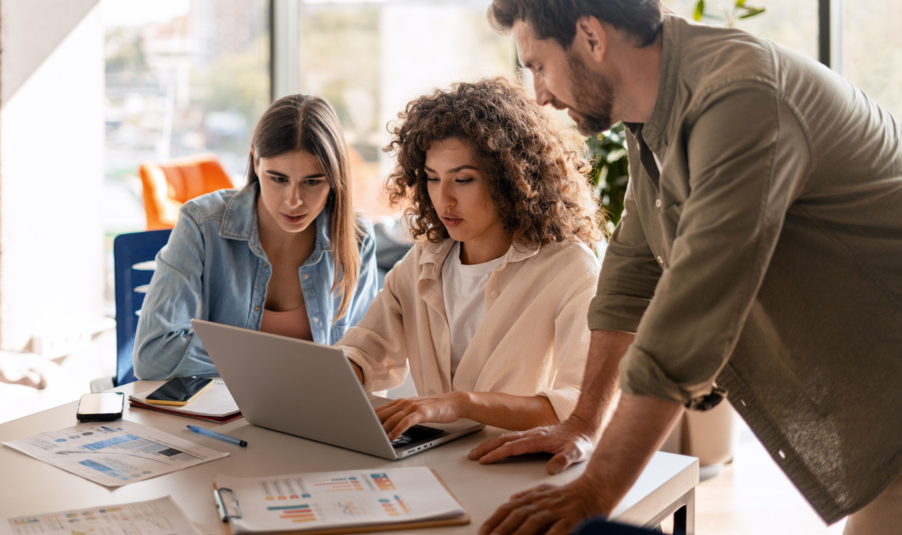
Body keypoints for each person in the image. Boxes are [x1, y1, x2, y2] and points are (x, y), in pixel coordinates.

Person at [471, 2, 902, 535]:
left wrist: (594, 493)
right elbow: (633, 270)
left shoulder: (739, 97)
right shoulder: (652, 110)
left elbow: (690, 321)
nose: (538, 93)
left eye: (538, 65)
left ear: (591, 36)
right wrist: (584, 423)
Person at [337, 77, 604, 441]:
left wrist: (461, 404)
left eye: (462, 180)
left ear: (510, 179)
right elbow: (364, 351)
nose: (443, 199)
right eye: (432, 178)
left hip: (515, 465)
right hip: (434, 464)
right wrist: (330, 381)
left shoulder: (570, 269)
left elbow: (577, 405)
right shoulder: (421, 263)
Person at [134, 94, 379, 380]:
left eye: (312, 181)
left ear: (336, 177)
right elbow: (153, 356)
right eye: (278, 178)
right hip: (220, 410)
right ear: (255, 161)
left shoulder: (357, 239)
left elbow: (365, 358)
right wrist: (283, 369)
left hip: (312, 415)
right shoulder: (201, 225)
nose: (293, 201)